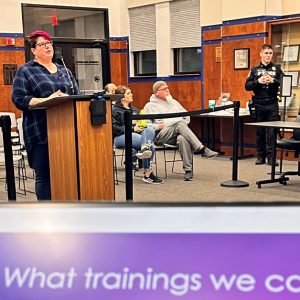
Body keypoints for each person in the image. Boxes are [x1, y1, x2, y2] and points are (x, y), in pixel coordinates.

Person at [12, 30, 80, 200]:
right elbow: (19, 99)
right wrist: (47, 100)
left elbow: (77, 96)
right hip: (40, 130)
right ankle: (46, 215)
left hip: (67, 130)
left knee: (69, 173)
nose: (48, 46)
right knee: (45, 176)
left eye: (49, 43)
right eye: (42, 44)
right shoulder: (26, 71)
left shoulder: (65, 70)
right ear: (33, 50)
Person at [144, 81, 218, 181]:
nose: (168, 90)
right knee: (179, 124)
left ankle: (188, 170)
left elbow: (186, 117)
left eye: (168, 88)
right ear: (157, 92)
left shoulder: (173, 102)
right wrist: (157, 126)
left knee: (182, 138)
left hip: (177, 132)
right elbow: (145, 125)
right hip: (161, 135)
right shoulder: (149, 106)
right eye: (164, 89)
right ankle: (202, 149)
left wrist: (179, 122)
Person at [112, 85, 163, 184]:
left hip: (136, 134)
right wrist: (132, 128)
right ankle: (148, 171)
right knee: (149, 146)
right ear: (121, 97)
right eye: (128, 93)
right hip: (120, 137)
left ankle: (147, 171)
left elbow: (143, 123)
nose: (132, 94)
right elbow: (114, 128)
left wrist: (145, 125)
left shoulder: (135, 110)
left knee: (150, 132)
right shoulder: (115, 111)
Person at [245, 44, 284, 166]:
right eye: (266, 53)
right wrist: (258, 81)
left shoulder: (277, 69)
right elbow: (247, 86)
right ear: (261, 54)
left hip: (272, 103)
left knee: (272, 132)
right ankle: (261, 156)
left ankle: (271, 158)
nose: (268, 56)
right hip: (259, 103)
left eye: (270, 53)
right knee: (260, 131)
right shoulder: (254, 69)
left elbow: (284, 82)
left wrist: (273, 81)